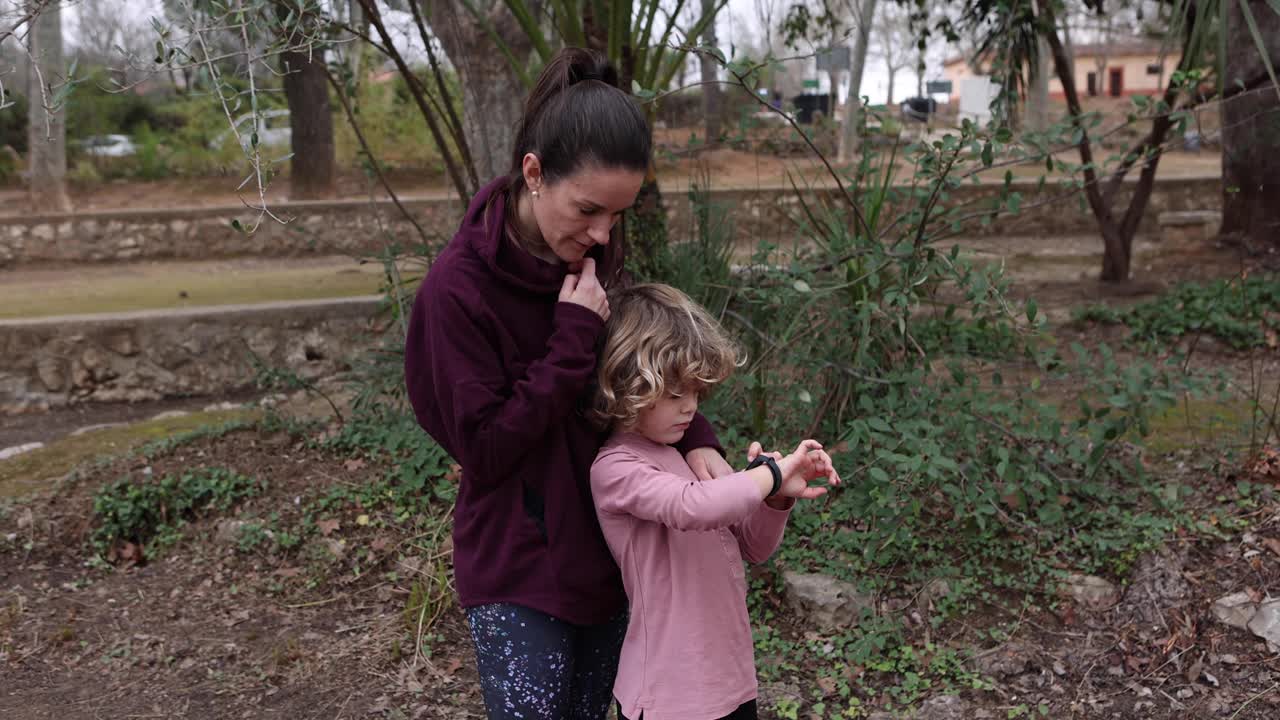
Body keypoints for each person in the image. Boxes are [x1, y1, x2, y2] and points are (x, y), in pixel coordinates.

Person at [403, 48, 735, 720]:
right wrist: (571, 338)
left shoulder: (590, 249)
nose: (603, 234)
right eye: (588, 210)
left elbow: (636, 363)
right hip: (518, 567)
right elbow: (486, 450)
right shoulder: (457, 292)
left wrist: (695, 433)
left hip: (610, 546)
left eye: (618, 215)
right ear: (533, 173)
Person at [590, 284, 842, 720]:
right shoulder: (616, 468)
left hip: (729, 678)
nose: (691, 408)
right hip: (669, 693)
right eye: (675, 394)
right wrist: (771, 473)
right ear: (627, 387)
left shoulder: (687, 456)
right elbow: (695, 507)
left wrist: (776, 497)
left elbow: (752, 546)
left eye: (697, 393)